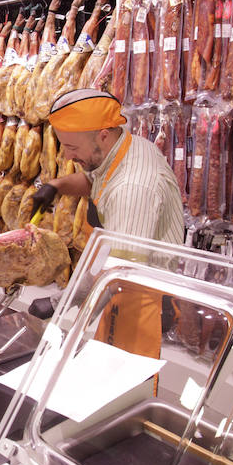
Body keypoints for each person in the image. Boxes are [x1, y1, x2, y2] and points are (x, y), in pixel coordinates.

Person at [30, 88, 185, 359]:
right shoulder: (127, 146)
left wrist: (59, 302)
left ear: (103, 134)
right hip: (120, 288)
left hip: (141, 298)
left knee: (126, 386)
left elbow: (119, 268)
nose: (66, 157)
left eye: (72, 147)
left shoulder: (132, 188)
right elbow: (96, 180)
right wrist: (56, 186)